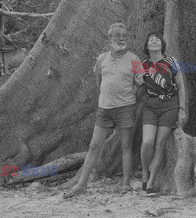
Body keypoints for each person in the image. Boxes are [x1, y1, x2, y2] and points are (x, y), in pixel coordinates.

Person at [63, 23, 144, 198]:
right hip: (104, 108)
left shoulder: (134, 59)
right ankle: (81, 184)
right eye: (117, 35)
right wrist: (106, 95)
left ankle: (125, 185)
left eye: (124, 35)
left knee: (126, 146)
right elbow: (99, 80)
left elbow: (141, 84)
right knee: (94, 145)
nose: (121, 38)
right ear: (110, 38)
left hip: (126, 108)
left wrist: (132, 99)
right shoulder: (101, 59)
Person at [138, 32, 187, 196]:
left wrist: (182, 109)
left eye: (157, 39)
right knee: (147, 142)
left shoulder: (171, 61)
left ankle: (151, 181)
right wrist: (137, 84)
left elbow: (181, 87)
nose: (154, 40)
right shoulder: (142, 65)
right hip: (150, 106)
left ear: (162, 44)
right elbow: (137, 90)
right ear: (146, 46)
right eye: (150, 39)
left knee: (159, 144)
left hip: (170, 106)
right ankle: (145, 172)